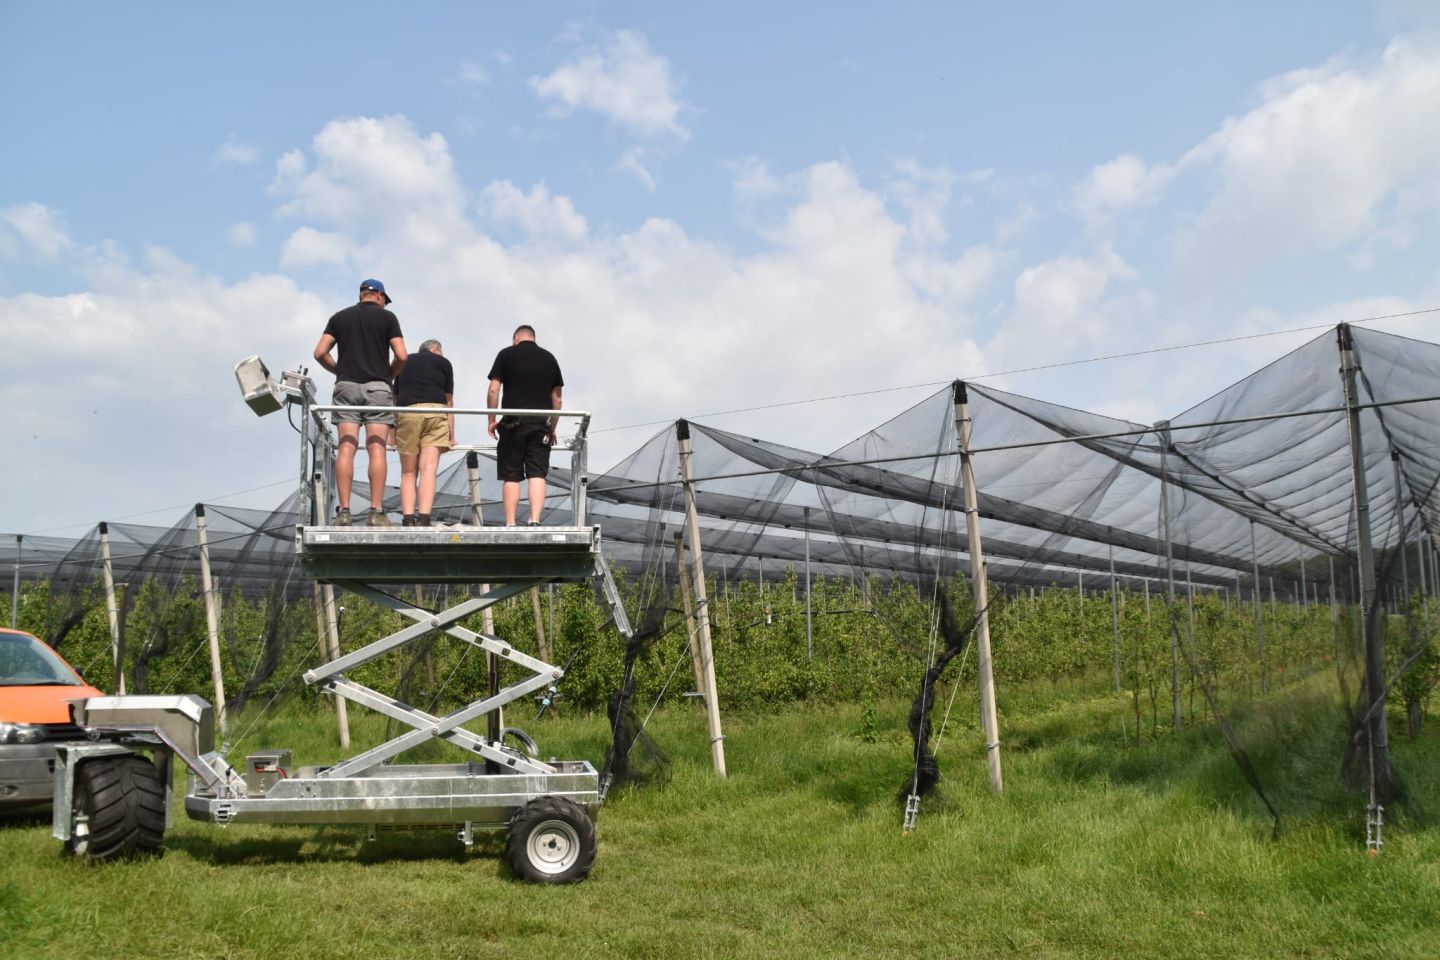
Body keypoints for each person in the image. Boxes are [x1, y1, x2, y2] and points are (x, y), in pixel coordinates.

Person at [313, 279, 407, 526]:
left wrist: (339, 372)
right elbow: (401, 355)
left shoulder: (339, 317)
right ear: (378, 296)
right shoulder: (388, 319)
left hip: (346, 387)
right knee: (377, 448)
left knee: (347, 446)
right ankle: (376, 512)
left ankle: (344, 512)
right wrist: (389, 375)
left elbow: (319, 352)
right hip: (378, 388)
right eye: (385, 301)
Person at [486, 325, 563, 526]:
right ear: (533, 338)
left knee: (511, 474)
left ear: (515, 338)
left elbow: (494, 390)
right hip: (539, 422)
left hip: (513, 421)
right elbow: (557, 400)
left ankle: (510, 522)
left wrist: (491, 419)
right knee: (537, 472)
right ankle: (534, 520)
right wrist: (552, 428)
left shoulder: (505, 354)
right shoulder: (549, 358)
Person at [394, 338, 455, 527]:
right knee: (428, 469)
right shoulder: (444, 363)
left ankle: (408, 519)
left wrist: (392, 432)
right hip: (436, 412)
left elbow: (395, 400)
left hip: (408, 413)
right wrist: (451, 435)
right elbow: (449, 402)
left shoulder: (403, 362)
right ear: (436, 349)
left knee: (408, 472)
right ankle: (424, 518)